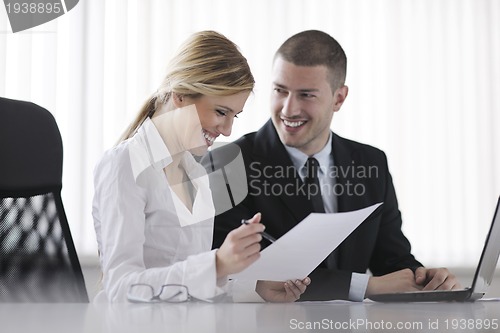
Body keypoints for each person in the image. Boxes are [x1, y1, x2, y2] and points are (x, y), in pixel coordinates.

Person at [211, 30, 461, 301]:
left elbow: (391, 261)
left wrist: (425, 278)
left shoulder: (371, 163)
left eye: (306, 95)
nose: (288, 109)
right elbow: (236, 274)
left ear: (339, 98)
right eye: (280, 91)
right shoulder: (228, 164)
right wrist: (366, 287)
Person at [92, 31, 310, 303]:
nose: (228, 131)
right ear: (181, 95)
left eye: (234, 116)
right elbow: (120, 288)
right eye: (221, 112)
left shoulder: (196, 175)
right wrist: (217, 264)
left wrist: (257, 287)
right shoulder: (123, 164)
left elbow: (189, 284)